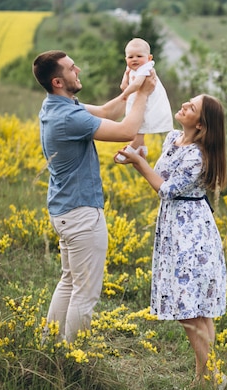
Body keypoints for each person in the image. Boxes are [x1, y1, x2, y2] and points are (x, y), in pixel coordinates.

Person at [32, 50, 156, 343]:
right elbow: (126, 129)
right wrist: (143, 95)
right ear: (58, 81)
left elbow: (107, 112)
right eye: (72, 69)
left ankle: (49, 346)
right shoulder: (69, 118)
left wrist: (130, 89)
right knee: (85, 293)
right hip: (81, 213)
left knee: (70, 282)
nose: (78, 71)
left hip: (65, 211)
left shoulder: (57, 106)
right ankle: (76, 359)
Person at [115, 94, 227, 385]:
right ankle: (204, 377)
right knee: (195, 308)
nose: (185, 106)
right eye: (189, 101)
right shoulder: (174, 139)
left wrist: (139, 163)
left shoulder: (198, 155)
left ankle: (212, 377)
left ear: (201, 125)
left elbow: (166, 189)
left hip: (191, 231)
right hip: (175, 228)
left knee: (189, 310)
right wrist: (136, 156)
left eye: (192, 108)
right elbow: (161, 174)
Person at [115, 38, 173, 162]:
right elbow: (124, 84)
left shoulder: (145, 68)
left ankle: (134, 146)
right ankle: (140, 146)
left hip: (149, 102)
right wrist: (125, 78)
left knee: (139, 124)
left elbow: (136, 84)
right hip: (139, 99)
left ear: (149, 58)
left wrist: (124, 94)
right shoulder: (132, 69)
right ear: (126, 59)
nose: (134, 59)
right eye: (130, 57)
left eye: (139, 56)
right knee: (136, 123)